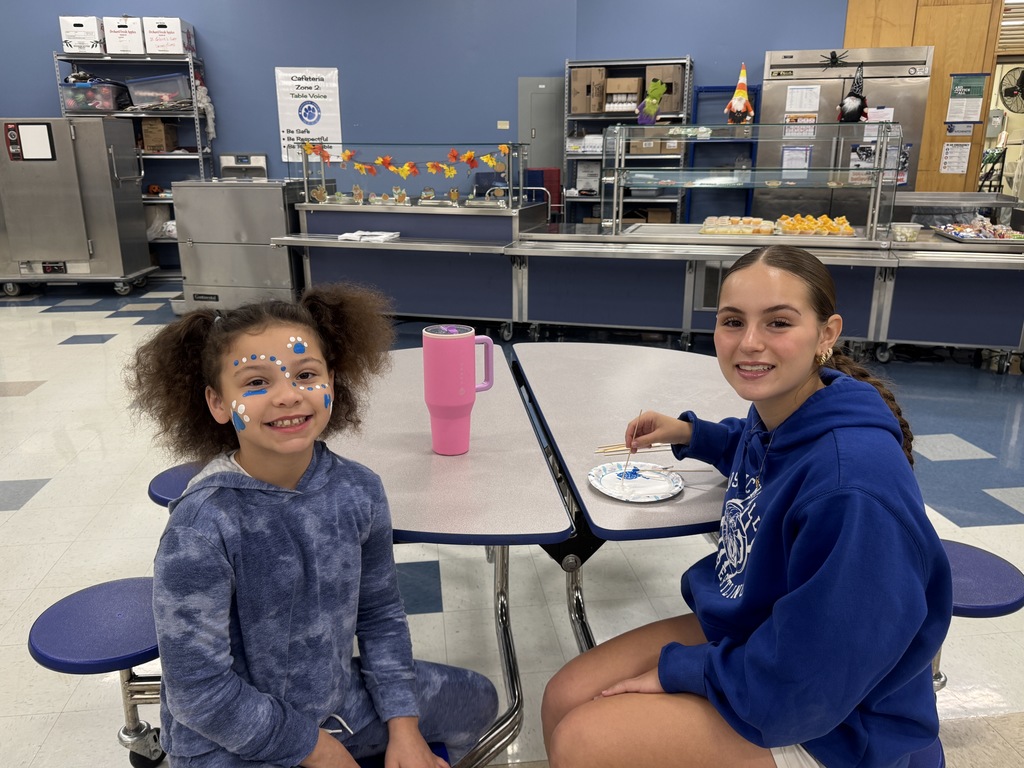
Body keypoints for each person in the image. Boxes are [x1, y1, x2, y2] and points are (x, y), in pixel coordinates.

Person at [541, 245, 952, 768]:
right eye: (733, 321)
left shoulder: (853, 491)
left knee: (585, 740)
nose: (750, 343)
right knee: (563, 695)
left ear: (827, 333)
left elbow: (809, 681)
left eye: (778, 322)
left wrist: (683, 673)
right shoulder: (788, 411)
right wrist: (693, 434)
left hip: (838, 723)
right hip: (765, 634)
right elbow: (760, 449)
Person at [127, 284, 498, 768]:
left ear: (332, 384)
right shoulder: (201, 525)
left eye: (306, 374)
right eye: (256, 382)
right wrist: (314, 748)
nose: (288, 395)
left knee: (477, 698)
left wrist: (404, 727)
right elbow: (200, 695)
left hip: (336, 703)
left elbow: (380, 614)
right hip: (225, 741)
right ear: (219, 404)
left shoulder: (359, 489)